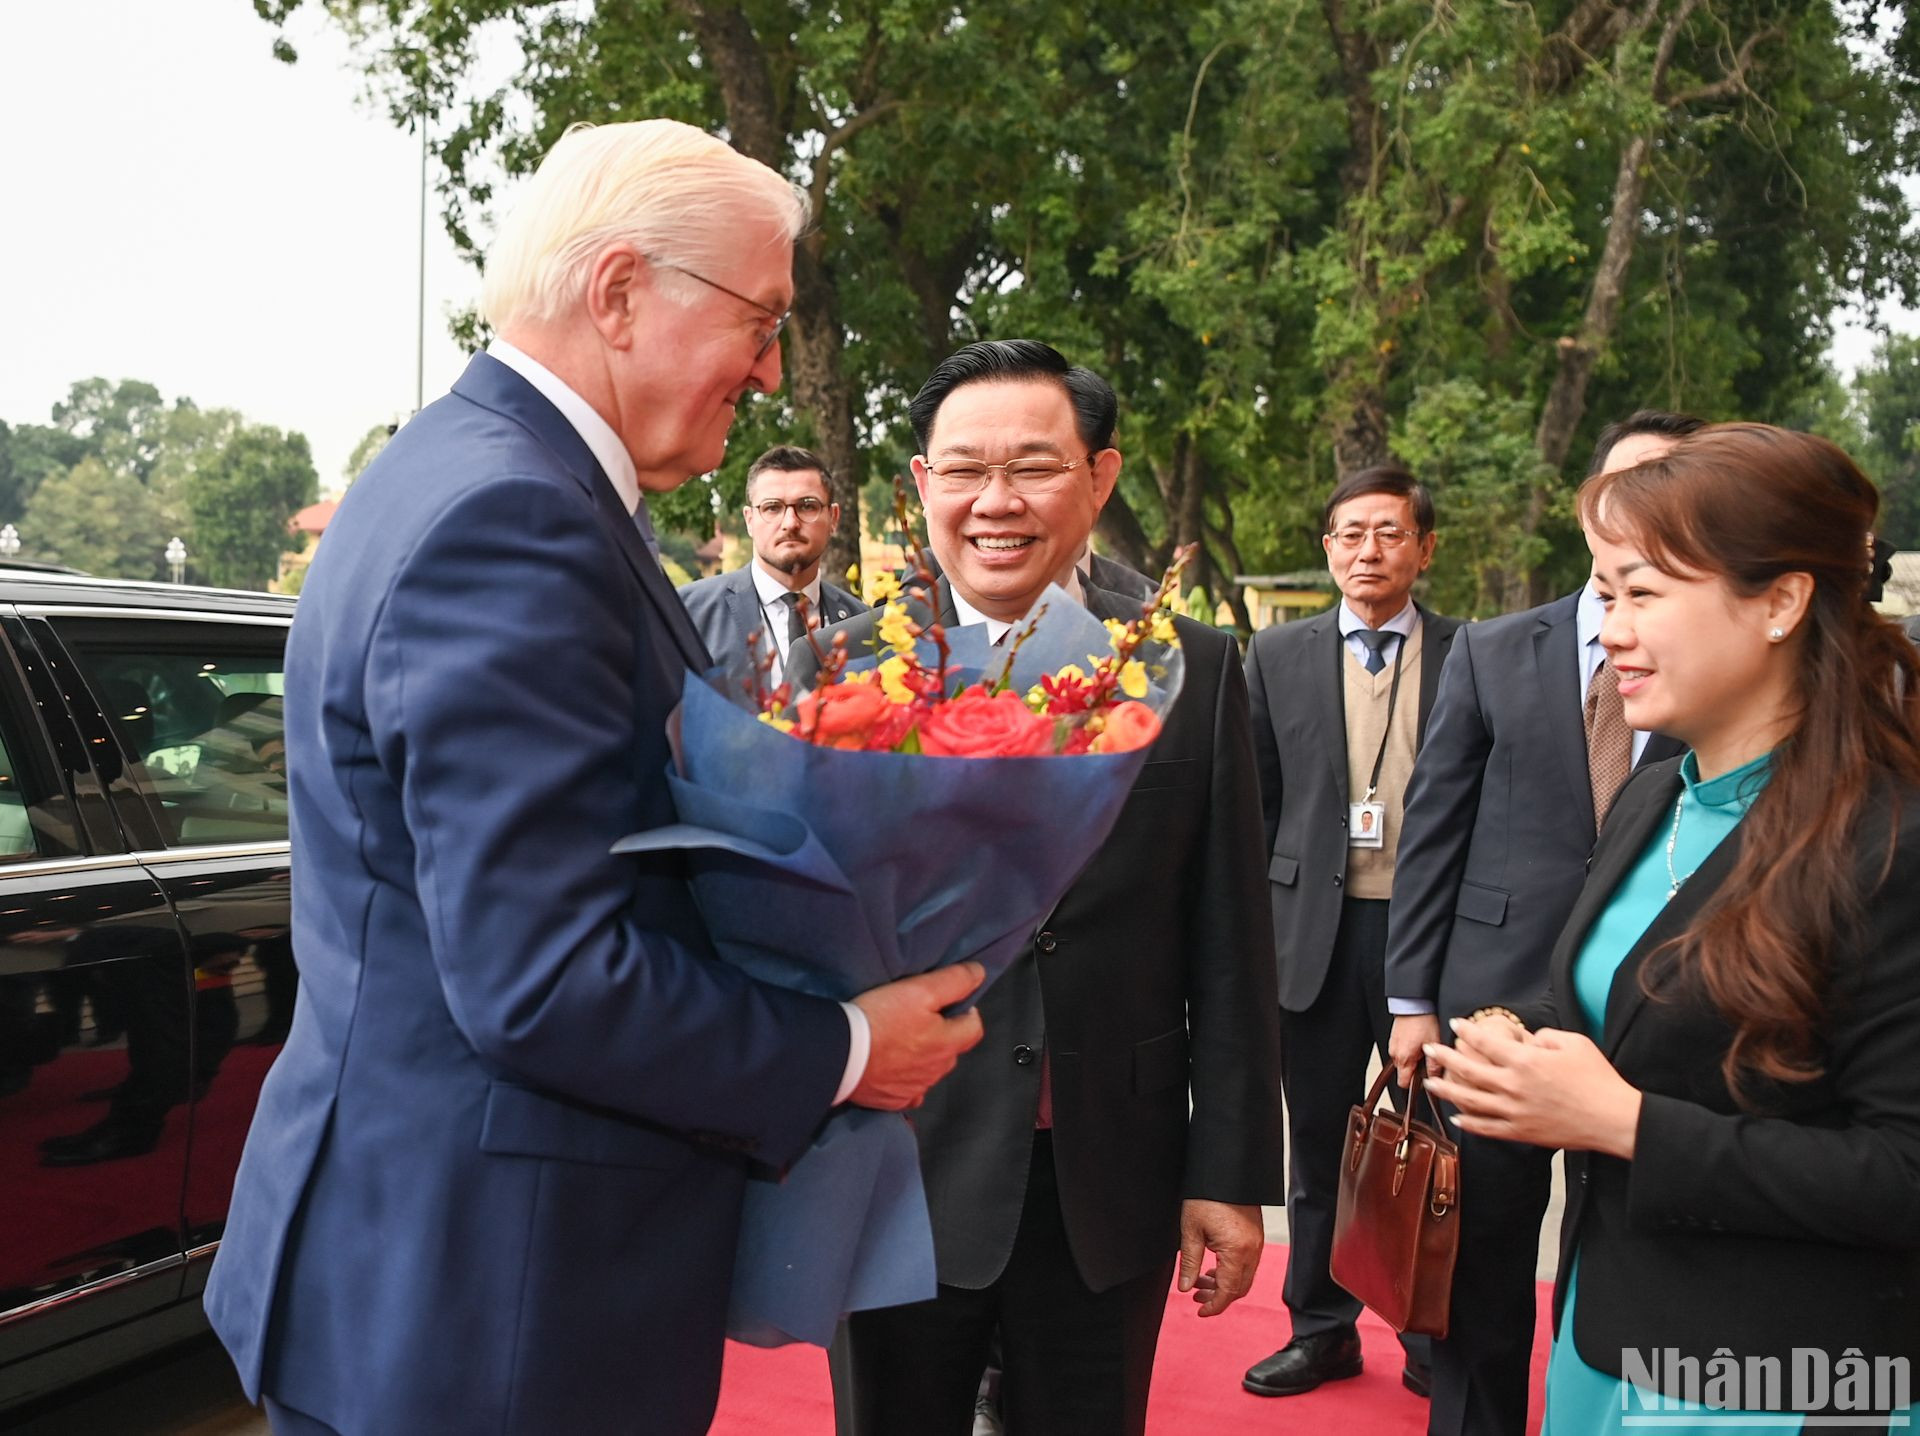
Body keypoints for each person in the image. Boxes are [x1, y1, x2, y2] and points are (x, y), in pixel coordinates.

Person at [204, 119, 984, 1436]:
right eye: (759, 315)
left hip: (449, 1277)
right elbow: (544, 978)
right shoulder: (513, 518)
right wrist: (849, 1046)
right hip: (494, 1311)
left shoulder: (480, 476)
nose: (774, 363)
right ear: (621, 292)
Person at [801, 339, 1286, 1436]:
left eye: (1033, 466)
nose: (996, 502)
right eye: (965, 470)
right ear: (921, 484)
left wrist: (1233, 1168)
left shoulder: (1188, 666)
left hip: (1106, 1171)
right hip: (899, 1172)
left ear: (1100, 477)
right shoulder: (841, 671)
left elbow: (1229, 934)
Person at [1426, 422, 1920, 1431]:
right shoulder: (1661, 795)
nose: (1609, 632)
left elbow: (1901, 1173)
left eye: (1642, 593)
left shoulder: (1887, 841)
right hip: (1605, 1344)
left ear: (1780, 601)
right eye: (1605, 595)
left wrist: (1621, 1122)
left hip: (1783, 1383)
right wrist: (1512, 1037)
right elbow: (1638, 1004)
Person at [1381, 410, 1696, 1436]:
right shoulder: (1494, 648)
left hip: (1653, 1020)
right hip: (1492, 1013)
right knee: (1479, 1271)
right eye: (1625, 485)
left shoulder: (1710, 668)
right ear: (1589, 503)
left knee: (1620, 1263)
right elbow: (1433, 830)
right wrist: (1412, 1001)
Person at [1240, 466, 1461, 1401]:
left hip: (1432, 941)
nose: (1367, 551)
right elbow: (1257, 801)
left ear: (1424, 546)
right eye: (1349, 534)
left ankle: (1427, 1332)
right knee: (1322, 1145)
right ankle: (1321, 1328)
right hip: (1315, 940)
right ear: (1327, 547)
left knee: (1436, 1147)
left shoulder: (1469, 653)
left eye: (1388, 533)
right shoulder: (1275, 655)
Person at [679, 443, 863, 692]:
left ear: (834, 518)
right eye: (772, 508)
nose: (790, 523)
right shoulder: (689, 613)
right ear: (749, 520)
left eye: (807, 506)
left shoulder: (864, 622)